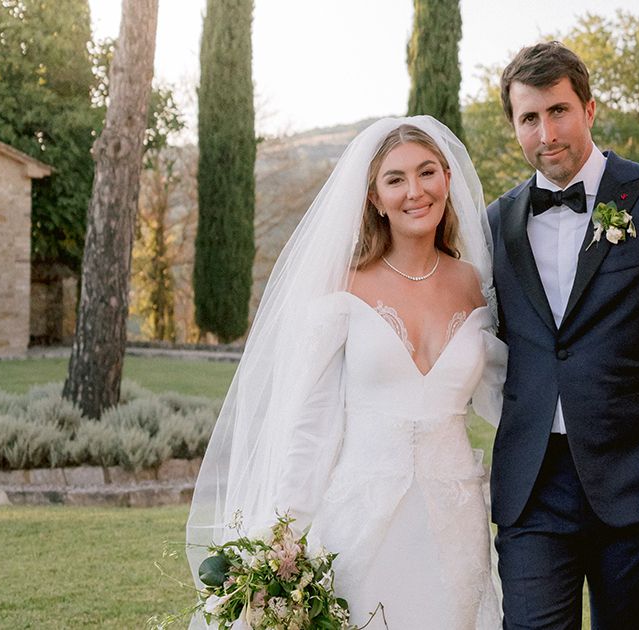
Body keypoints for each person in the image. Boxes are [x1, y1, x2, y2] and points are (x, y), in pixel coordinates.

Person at [187, 116, 506, 629]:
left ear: (447, 179)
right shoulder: (345, 287)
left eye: (427, 173)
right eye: (395, 179)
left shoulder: (477, 285)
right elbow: (308, 424)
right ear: (375, 198)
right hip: (360, 523)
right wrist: (283, 531)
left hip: (455, 524)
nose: (415, 191)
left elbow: (505, 396)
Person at [486, 42, 639, 629]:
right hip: (532, 486)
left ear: (589, 110)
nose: (546, 133)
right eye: (529, 118)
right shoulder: (496, 223)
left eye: (558, 111)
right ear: (514, 127)